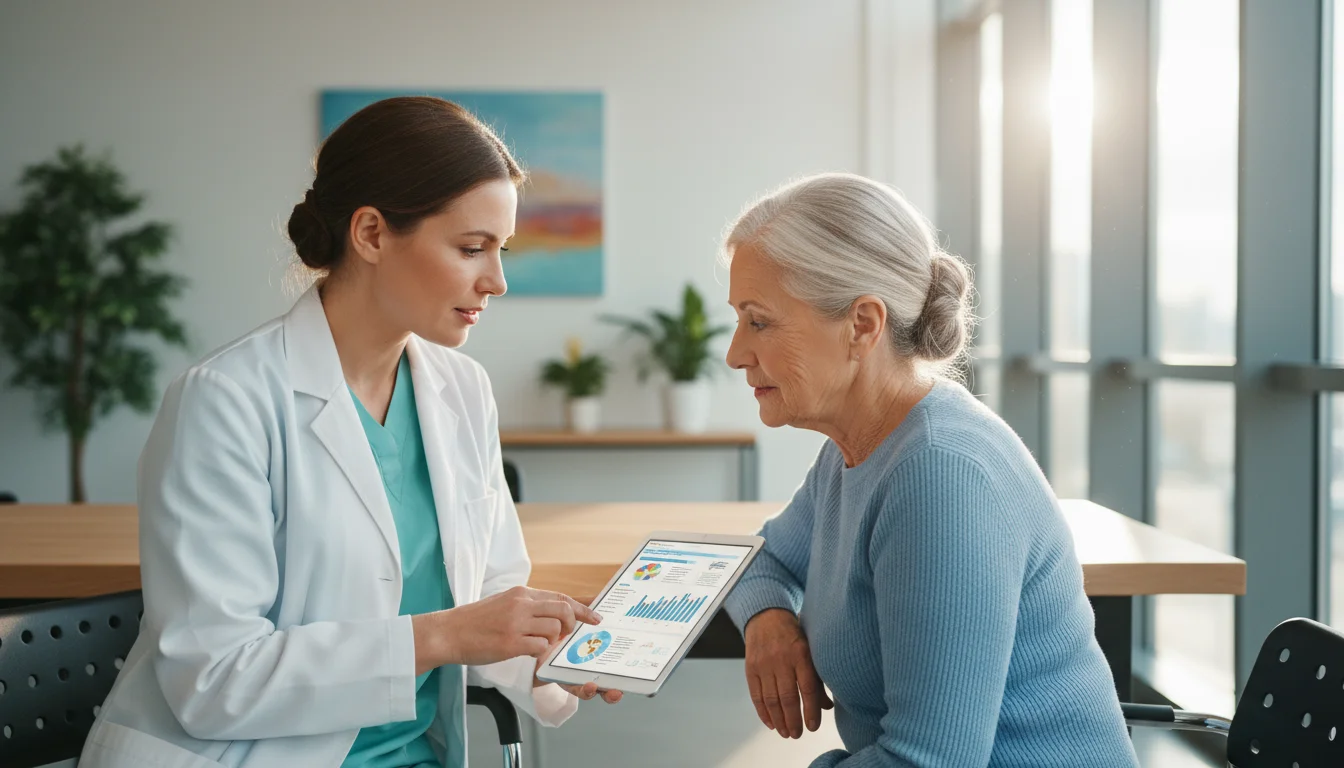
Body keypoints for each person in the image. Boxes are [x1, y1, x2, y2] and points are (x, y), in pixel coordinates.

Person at [80, 96, 620, 768]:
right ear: (369, 234)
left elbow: (486, 596)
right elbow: (212, 681)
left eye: (501, 250)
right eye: (472, 247)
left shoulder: (462, 390)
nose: (498, 281)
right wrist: (443, 636)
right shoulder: (225, 402)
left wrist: (554, 657)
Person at [720, 173, 1138, 767]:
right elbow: (764, 556)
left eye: (758, 321)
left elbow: (924, 764)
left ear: (863, 325)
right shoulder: (858, 448)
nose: (736, 353)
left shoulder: (941, 475)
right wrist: (768, 619)